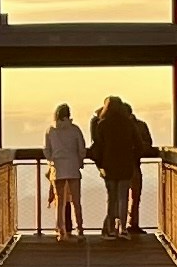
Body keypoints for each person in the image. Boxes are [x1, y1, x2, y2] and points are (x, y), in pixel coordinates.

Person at [89, 93, 147, 240]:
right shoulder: (129, 124)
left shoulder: (102, 124)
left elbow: (98, 147)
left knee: (112, 198)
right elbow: (140, 145)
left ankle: (110, 230)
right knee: (123, 197)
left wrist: (100, 164)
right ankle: (123, 229)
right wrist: (133, 155)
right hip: (126, 165)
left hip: (109, 166)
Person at [44, 101, 87, 239]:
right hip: (73, 167)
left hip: (58, 168)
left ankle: (61, 230)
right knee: (76, 201)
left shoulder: (51, 130)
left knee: (60, 201)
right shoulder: (75, 129)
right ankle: (80, 229)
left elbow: (46, 149)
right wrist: (80, 160)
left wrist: (52, 160)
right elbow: (82, 148)